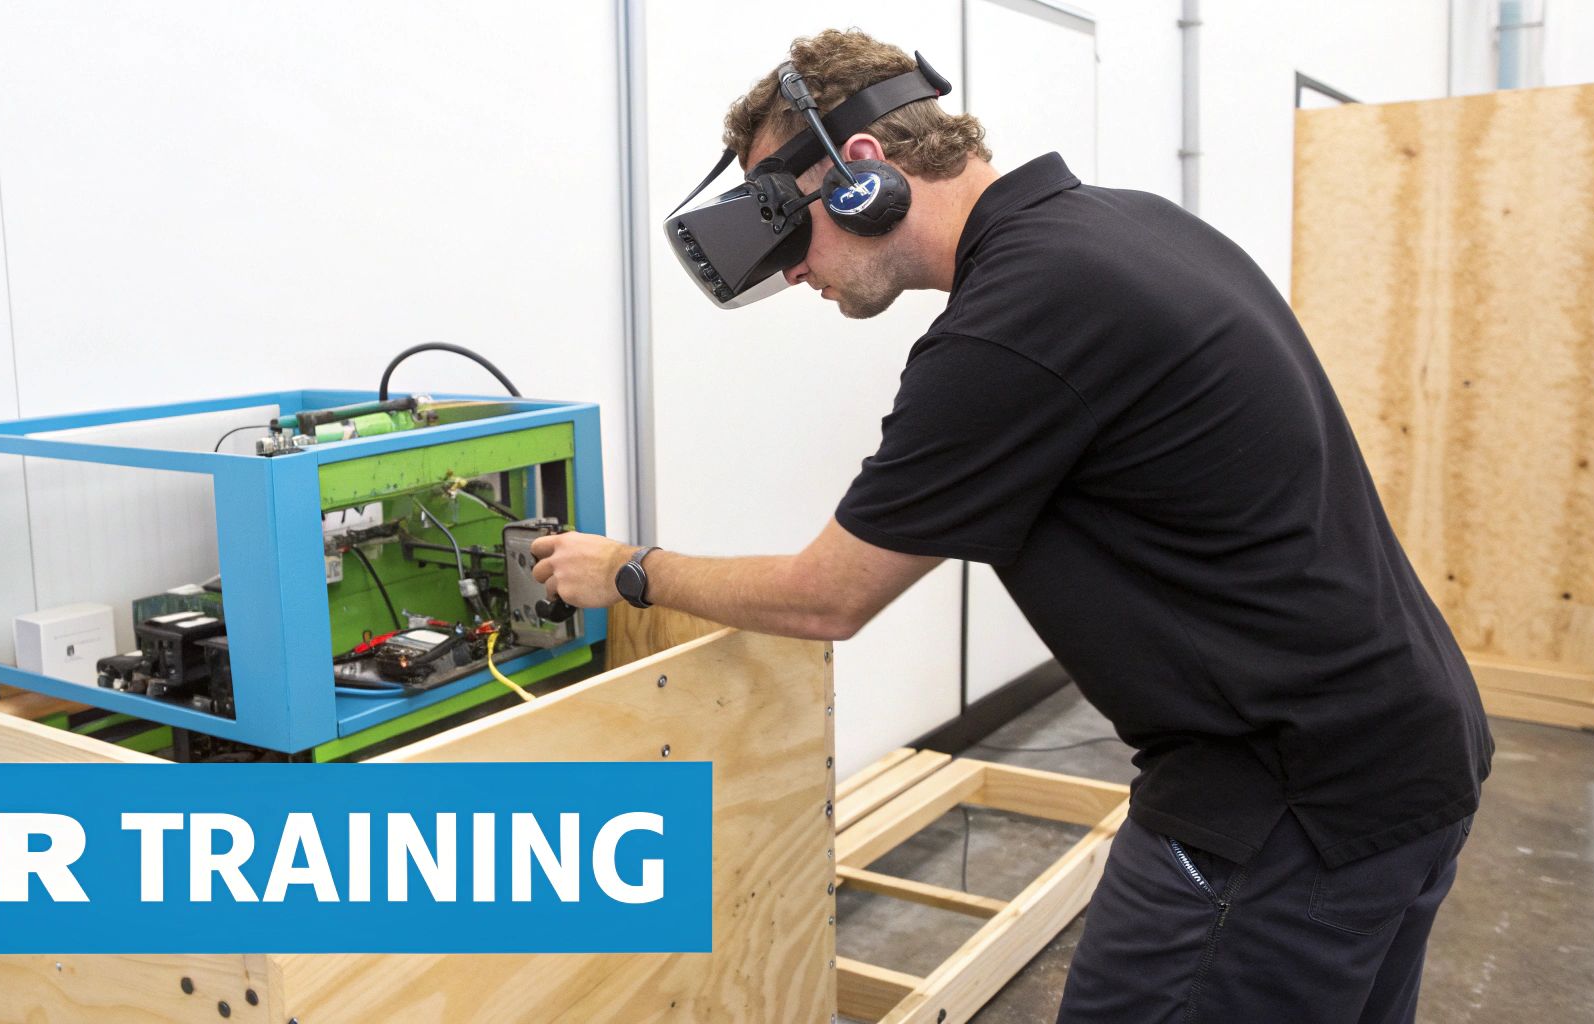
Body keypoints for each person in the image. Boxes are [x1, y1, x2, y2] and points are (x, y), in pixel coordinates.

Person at [531, 28, 1492, 1023]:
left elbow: (827, 595)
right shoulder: (1125, 227)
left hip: (1284, 796)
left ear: (862, 171)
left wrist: (627, 569)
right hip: (1399, 746)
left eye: (781, 224)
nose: (790, 274)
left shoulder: (1014, 321)